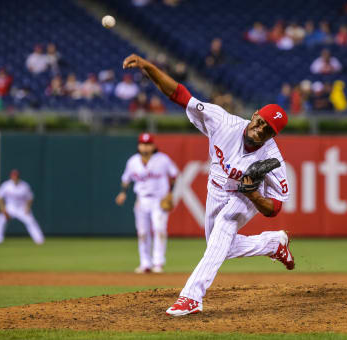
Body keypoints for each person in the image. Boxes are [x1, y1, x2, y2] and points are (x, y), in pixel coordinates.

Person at [122, 54, 295, 316]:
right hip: (215, 190)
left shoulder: (272, 159)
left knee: (225, 227)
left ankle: (192, 297)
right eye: (261, 121)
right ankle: (273, 245)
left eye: (268, 129)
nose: (260, 129)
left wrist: (254, 195)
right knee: (219, 246)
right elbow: (180, 95)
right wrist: (148, 67)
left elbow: (275, 208)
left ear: (273, 136)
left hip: (244, 196)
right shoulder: (222, 122)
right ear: (254, 114)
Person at [116, 133, 179, 274]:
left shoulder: (162, 159)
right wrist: (123, 192)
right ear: (139, 145)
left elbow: (174, 175)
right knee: (143, 232)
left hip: (159, 200)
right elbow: (126, 179)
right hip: (142, 200)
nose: (145, 147)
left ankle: (158, 263)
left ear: (153, 145)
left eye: (148, 144)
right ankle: (145, 263)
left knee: (159, 229)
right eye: (143, 144)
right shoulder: (133, 162)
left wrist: (170, 192)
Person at [0, 170, 45, 245]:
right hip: (10, 207)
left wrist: (28, 207)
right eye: (13, 176)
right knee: (1, 221)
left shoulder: (24, 186)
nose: (14, 178)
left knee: (30, 221)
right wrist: (2, 208)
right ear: (11, 177)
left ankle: (39, 239)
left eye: (16, 176)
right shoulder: (6, 185)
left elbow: (30, 198)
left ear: (18, 177)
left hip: (21, 207)